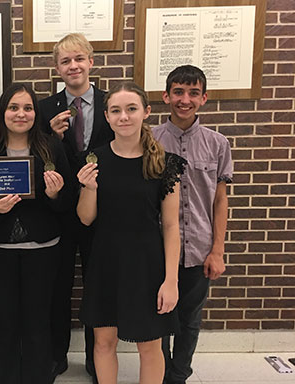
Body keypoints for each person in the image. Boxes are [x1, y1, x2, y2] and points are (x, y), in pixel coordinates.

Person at [77, 81, 185, 384]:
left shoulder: (164, 163)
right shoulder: (94, 159)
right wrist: (89, 188)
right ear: (107, 117)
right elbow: (85, 219)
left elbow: (172, 225)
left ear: (146, 113)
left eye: (131, 109)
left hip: (147, 265)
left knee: (150, 345)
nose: (123, 116)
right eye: (116, 111)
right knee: (103, 342)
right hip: (106, 262)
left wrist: (171, 280)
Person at [0, 83, 72, 384]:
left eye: (27, 108)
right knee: (4, 319)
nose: (20, 114)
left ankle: (39, 376)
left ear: (35, 113)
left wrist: (55, 195)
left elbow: (69, 203)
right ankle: (3, 377)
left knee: (38, 319)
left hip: (43, 246)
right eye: (13, 107)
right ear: (3, 112)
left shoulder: (52, 146)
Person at [38, 32, 114, 383]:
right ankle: (56, 356)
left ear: (91, 62)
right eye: (65, 61)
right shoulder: (45, 109)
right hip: (61, 211)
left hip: (102, 210)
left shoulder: (113, 102)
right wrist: (51, 135)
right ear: (57, 68)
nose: (73, 66)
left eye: (79, 58)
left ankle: (97, 358)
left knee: (98, 284)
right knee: (57, 286)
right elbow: (39, 156)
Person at [153, 65, 232, 384]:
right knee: (158, 319)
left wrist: (217, 250)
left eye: (193, 93)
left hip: (199, 250)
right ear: (166, 96)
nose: (185, 100)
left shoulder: (218, 144)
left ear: (204, 98)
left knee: (189, 321)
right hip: (156, 248)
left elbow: (221, 200)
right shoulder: (151, 140)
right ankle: (158, 374)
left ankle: (179, 376)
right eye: (178, 92)